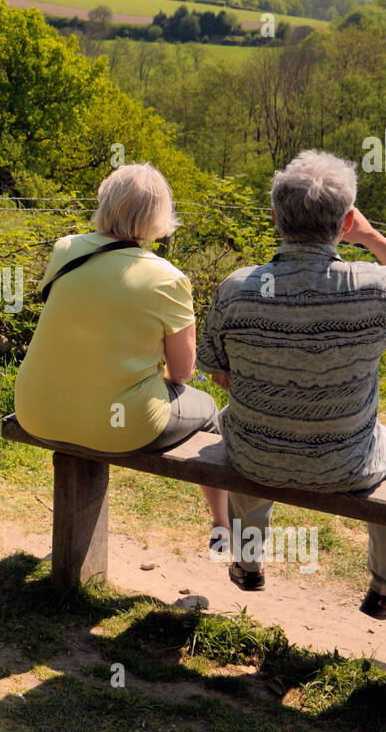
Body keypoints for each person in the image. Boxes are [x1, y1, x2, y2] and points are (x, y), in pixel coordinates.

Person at [197, 149, 386, 618]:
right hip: (347, 464)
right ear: (346, 221)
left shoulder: (237, 288)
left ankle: (247, 560)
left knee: (244, 423)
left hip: (255, 455)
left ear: (275, 217)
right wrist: (371, 236)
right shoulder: (379, 288)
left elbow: (216, 369)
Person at [14, 163, 229, 544]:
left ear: (105, 203)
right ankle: (222, 523)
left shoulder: (65, 249)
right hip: (118, 426)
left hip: (36, 408)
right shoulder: (168, 278)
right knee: (210, 409)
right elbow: (181, 373)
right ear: (159, 217)